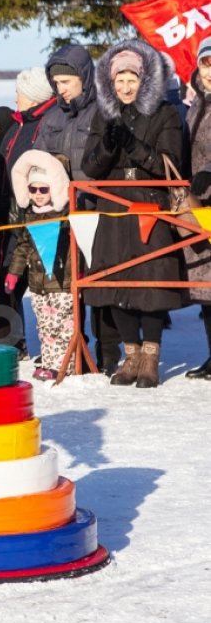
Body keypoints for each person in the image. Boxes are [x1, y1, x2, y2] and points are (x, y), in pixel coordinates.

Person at [81, 39, 184, 388]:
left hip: (150, 206)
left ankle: (151, 356)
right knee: (116, 280)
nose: (125, 87)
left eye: (132, 79)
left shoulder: (165, 113)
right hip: (113, 208)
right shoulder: (103, 113)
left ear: (145, 80)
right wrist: (109, 145)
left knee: (149, 282)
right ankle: (131, 354)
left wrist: (132, 145)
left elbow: (168, 165)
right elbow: (89, 168)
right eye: (119, 80)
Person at [35, 44, 122, 376]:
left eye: (66, 82)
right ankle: (75, 350)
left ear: (84, 78)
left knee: (100, 284)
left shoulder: (103, 110)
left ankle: (107, 352)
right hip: (60, 214)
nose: (61, 89)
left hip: (96, 210)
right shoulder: (52, 116)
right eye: (56, 83)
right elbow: (40, 158)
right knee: (68, 286)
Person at [0, 67, 58, 354]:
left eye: (20, 92)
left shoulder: (47, 125)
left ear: (35, 95)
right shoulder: (16, 128)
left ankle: (57, 345)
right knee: (4, 280)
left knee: (42, 283)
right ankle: (4, 343)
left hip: (37, 217)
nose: (16, 97)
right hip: (7, 218)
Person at [6, 150, 74, 380]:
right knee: (44, 325)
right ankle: (48, 360)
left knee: (62, 325)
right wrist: (14, 272)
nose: (38, 194)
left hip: (61, 282)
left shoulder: (64, 215)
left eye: (43, 189)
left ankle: (65, 364)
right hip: (38, 283)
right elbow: (23, 245)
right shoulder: (29, 215)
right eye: (33, 189)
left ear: (53, 188)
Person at [184, 36, 211, 380]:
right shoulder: (195, 105)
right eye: (206, 63)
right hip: (198, 203)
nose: (210, 70)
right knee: (206, 285)